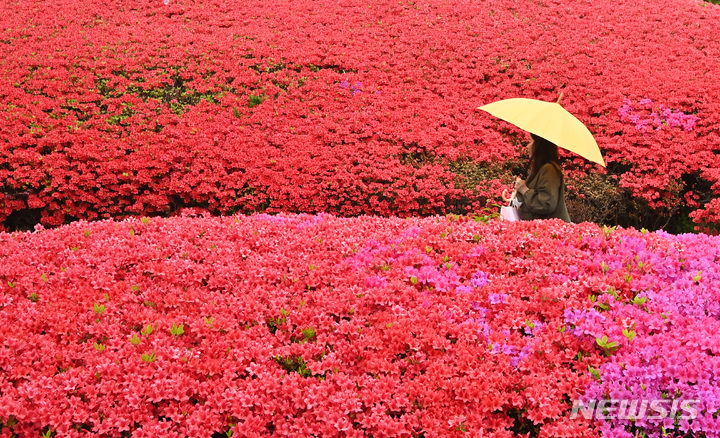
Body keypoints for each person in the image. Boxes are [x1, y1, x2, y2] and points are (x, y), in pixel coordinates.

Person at [512, 133, 571, 222]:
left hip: (549, 228)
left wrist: (524, 190)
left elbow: (546, 203)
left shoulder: (549, 169)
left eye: (530, 141)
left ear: (539, 146)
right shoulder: (540, 169)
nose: (527, 146)